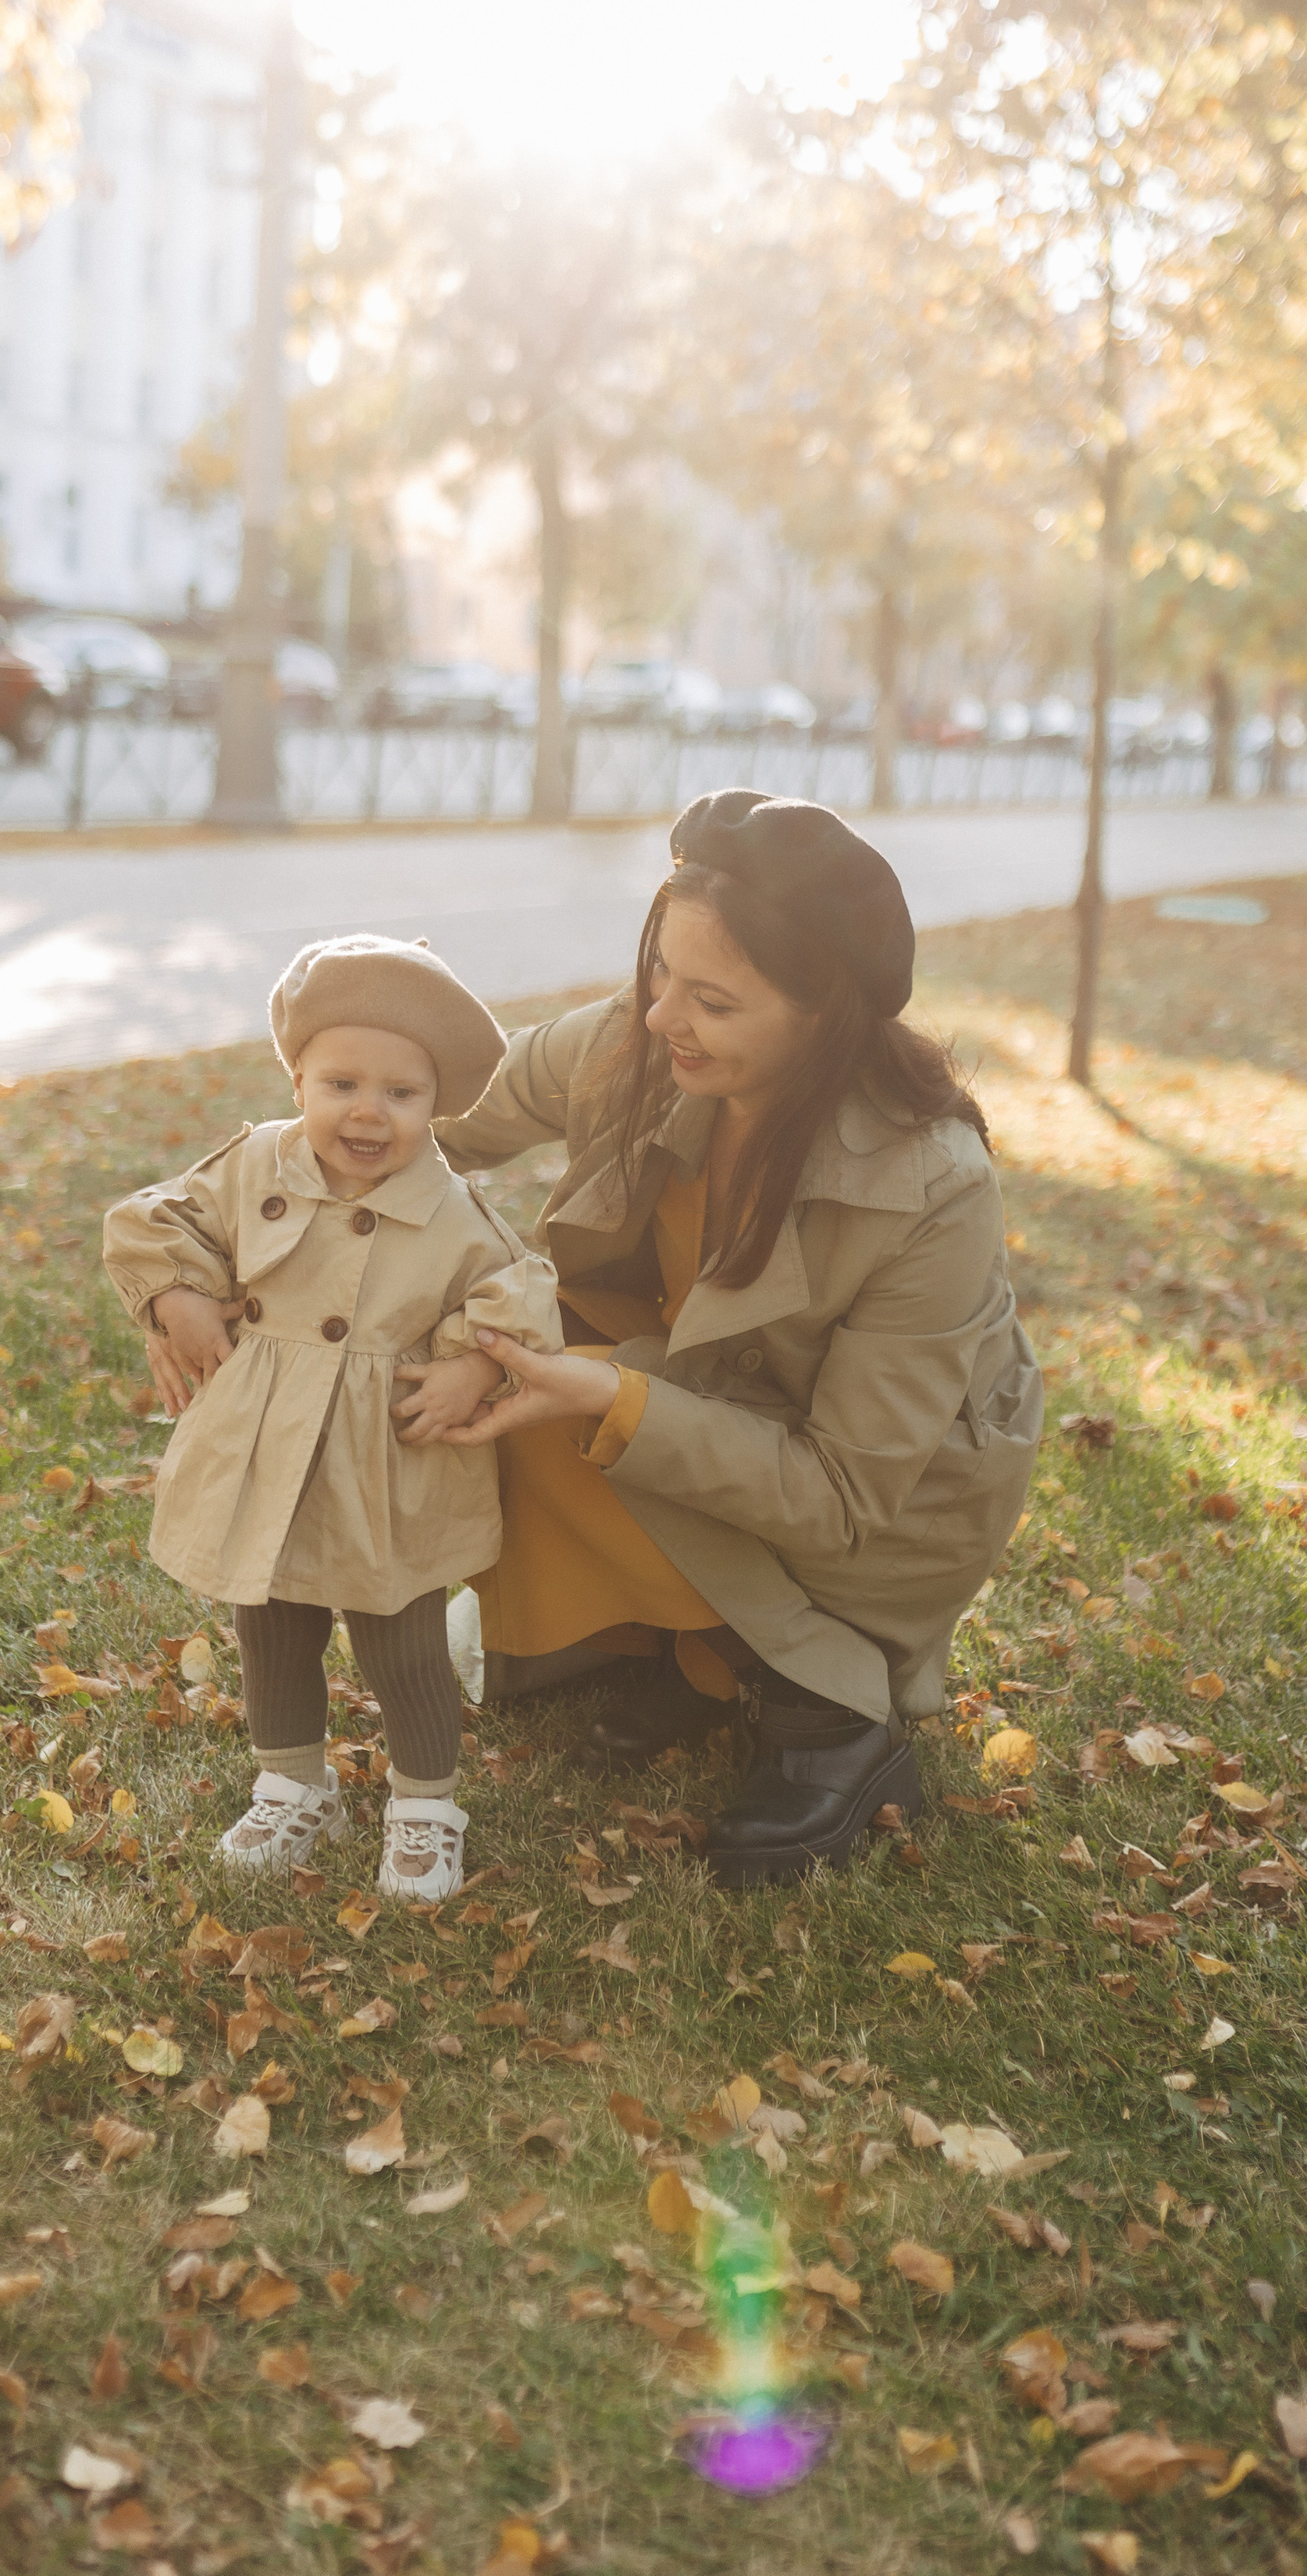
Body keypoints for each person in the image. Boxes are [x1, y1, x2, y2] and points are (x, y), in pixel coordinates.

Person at [430, 790, 1045, 1886]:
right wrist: (210, 1249)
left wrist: (603, 1396)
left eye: (712, 999)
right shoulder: (639, 1046)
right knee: (482, 1339)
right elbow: (417, 1117)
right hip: (710, 1391)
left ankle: (831, 1709)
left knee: (572, 1382)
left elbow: (843, 1495)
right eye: (659, 973)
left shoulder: (933, 1184)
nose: (663, 1017)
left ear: (824, 1017)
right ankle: (677, 1642)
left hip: (879, 1519)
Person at [104, 934, 561, 1904]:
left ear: (434, 1106)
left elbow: (517, 1295)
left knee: (402, 1639)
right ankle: (292, 1784)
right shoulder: (256, 1162)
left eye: (401, 1093)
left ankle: (427, 1805)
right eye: (341, 1083)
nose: (368, 1111)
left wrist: (473, 1366)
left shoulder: (452, 1212)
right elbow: (158, 1216)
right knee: (269, 1623)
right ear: (298, 1078)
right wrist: (176, 1298)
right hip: (265, 1445)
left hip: (385, 1459)